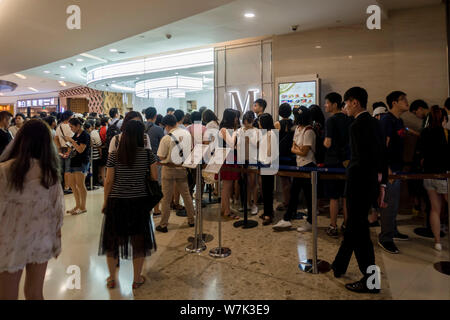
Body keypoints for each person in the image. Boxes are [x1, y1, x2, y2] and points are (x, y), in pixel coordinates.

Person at [331, 87, 387, 294]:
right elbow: (383, 156)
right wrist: (382, 185)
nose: (345, 107)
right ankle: (339, 265)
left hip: (358, 185)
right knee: (354, 228)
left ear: (354, 102)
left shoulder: (356, 126)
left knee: (360, 233)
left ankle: (371, 280)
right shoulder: (376, 123)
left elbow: (358, 161)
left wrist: (349, 173)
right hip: (370, 184)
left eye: (346, 103)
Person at [0, 119, 64, 300]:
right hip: (41, 236)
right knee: (35, 292)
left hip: (8, 240)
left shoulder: (3, 171)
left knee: (7, 294)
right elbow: (57, 211)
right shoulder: (49, 174)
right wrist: (57, 240)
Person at [99, 120, 158, 289]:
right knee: (138, 242)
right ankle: (136, 279)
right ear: (141, 135)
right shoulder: (147, 154)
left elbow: (109, 180)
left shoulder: (114, 154)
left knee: (112, 242)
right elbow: (154, 177)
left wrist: (105, 201)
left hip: (117, 201)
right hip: (139, 202)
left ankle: (111, 278)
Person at [273, 106, 316, 232]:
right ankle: (287, 219)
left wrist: (297, 149)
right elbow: (294, 147)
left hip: (308, 166)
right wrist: (298, 149)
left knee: (308, 195)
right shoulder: (297, 129)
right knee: (295, 192)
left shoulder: (309, 131)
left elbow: (304, 151)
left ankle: (308, 221)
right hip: (299, 165)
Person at [378, 91, 410, 254]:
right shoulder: (386, 121)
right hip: (388, 169)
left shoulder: (399, 120)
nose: (406, 102)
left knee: (394, 203)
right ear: (394, 103)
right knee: (388, 204)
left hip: (398, 168)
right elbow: (383, 147)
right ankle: (385, 237)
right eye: (403, 99)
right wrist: (387, 170)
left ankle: (393, 230)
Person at [417, 106, 449, 251]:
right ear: (443, 119)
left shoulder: (424, 133)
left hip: (428, 175)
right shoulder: (446, 133)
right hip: (444, 175)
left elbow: (421, 155)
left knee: (434, 209)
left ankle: (437, 242)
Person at [156, 115, 195, 233]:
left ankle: (163, 224)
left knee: (166, 198)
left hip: (168, 169)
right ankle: (191, 220)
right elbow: (191, 150)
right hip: (182, 168)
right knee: (186, 195)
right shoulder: (187, 134)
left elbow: (161, 156)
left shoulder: (166, 138)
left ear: (167, 126)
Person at [323, 92, 352, 237]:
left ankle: (333, 226)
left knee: (334, 197)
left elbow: (328, 143)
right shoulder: (349, 119)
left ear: (334, 104)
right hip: (347, 162)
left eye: (327, 103)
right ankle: (346, 225)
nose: (325, 105)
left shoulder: (331, 121)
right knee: (346, 196)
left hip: (333, 162)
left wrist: (323, 142)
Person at [64, 117, 90, 215]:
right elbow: (72, 148)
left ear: (78, 126)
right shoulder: (76, 134)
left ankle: (83, 207)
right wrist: (67, 153)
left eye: (71, 127)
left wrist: (71, 141)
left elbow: (80, 150)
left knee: (80, 184)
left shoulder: (85, 135)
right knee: (72, 184)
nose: (71, 129)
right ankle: (77, 205)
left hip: (81, 162)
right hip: (73, 161)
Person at [219, 109, 241, 219]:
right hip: (227, 159)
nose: (237, 119)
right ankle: (227, 211)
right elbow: (231, 144)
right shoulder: (224, 129)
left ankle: (225, 208)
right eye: (235, 117)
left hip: (230, 157)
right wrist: (236, 133)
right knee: (227, 186)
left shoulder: (229, 129)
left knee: (228, 185)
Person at [235, 111, 258, 215]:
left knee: (253, 183)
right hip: (242, 159)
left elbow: (257, 145)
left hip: (252, 159)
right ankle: (246, 203)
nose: (246, 125)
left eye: (248, 122)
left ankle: (255, 204)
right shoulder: (239, 130)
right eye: (244, 122)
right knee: (244, 183)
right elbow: (236, 144)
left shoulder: (256, 131)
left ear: (252, 121)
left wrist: (249, 139)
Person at [274, 103, 295, 211]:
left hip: (281, 155)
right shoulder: (294, 123)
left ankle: (287, 202)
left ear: (280, 112)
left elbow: (274, 140)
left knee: (284, 180)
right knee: (291, 179)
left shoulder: (278, 123)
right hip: (292, 154)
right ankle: (291, 200)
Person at [144, 107, 165, 215]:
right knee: (156, 185)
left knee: (145, 185)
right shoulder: (159, 129)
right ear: (155, 116)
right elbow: (163, 145)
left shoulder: (141, 127)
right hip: (156, 161)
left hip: (143, 161)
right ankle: (156, 209)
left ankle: (148, 208)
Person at [257, 113, 276, 225]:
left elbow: (270, 150)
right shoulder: (265, 133)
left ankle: (268, 214)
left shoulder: (270, 134)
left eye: (260, 121)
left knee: (267, 190)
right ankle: (267, 211)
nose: (258, 123)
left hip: (268, 164)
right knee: (265, 189)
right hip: (264, 163)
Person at [54, 111, 74, 193]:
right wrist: (69, 151)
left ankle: (62, 186)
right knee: (68, 169)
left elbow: (56, 139)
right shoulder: (71, 127)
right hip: (69, 149)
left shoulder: (59, 126)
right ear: (70, 117)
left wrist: (59, 149)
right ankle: (67, 186)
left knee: (61, 169)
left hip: (62, 149)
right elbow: (72, 140)